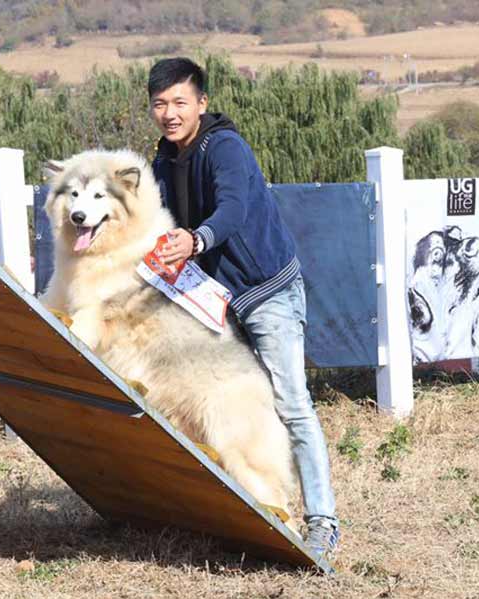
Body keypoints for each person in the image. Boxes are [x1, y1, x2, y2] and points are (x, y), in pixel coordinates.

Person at [147, 57, 339, 558]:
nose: (170, 113)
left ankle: (322, 520)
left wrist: (194, 240)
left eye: (179, 102)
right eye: (160, 104)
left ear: (202, 104)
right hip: (214, 302)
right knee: (224, 406)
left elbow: (233, 209)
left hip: (267, 292)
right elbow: (157, 219)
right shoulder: (162, 161)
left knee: (291, 403)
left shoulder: (224, 147)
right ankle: (246, 510)